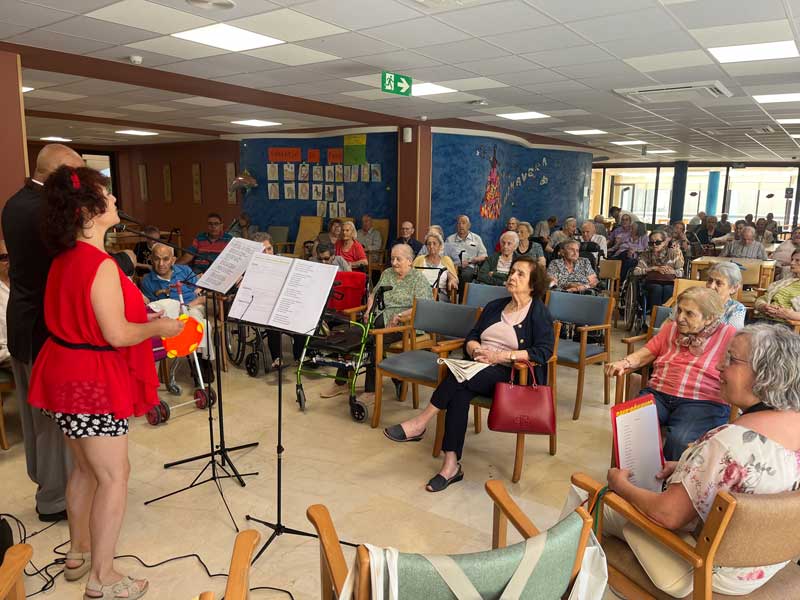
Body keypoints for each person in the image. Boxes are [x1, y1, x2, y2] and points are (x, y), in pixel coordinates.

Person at [29, 165, 182, 600]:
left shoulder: (65, 257)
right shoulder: (99, 264)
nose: (115, 201)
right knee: (115, 476)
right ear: (90, 212)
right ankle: (103, 576)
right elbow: (116, 334)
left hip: (61, 374)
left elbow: (94, 319)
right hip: (89, 380)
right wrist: (159, 329)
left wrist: (143, 319)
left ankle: (77, 553)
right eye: (108, 196)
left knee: (84, 469)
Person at [602, 324, 800, 597]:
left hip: (709, 571)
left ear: (764, 376)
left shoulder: (727, 442)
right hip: (770, 563)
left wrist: (620, 485)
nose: (719, 366)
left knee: (595, 502)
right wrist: (687, 469)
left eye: (731, 359)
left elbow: (667, 515)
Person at [383, 256, 554, 492]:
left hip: (510, 375)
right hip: (478, 368)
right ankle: (451, 465)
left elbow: (544, 351)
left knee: (458, 376)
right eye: (512, 271)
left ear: (533, 285)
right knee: (460, 392)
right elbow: (472, 335)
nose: (512, 276)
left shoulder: (538, 313)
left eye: (520, 274)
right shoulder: (496, 306)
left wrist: (501, 357)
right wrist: (474, 349)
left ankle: (420, 423)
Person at [2, 143, 84, 522]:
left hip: (21, 321)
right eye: (76, 174)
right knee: (54, 420)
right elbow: (74, 264)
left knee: (37, 417)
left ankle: (45, 484)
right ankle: (54, 499)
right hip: (42, 328)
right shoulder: (43, 211)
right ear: (58, 174)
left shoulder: (16, 202)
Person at [605, 287, 735, 460]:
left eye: (689, 314)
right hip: (659, 394)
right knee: (631, 424)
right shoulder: (670, 328)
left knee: (680, 440)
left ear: (710, 317)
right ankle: (635, 480)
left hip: (703, 402)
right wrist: (625, 362)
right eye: (679, 310)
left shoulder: (730, 335)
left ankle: (670, 485)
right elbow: (648, 351)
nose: (680, 318)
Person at [330, 244, 431, 401]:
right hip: (377, 321)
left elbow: (424, 307)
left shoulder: (418, 279)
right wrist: (369, 310)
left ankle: (372, 390)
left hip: (404, 326)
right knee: (351, 334)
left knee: (372, 343)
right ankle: (341, 382)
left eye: (398, 259)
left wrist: (399, 315)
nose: (394, 262)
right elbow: (373, 295)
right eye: (392, 259)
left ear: (410, 261)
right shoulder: (387, 273)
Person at [633, 230, 684, 309]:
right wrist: (653, 269)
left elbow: (681, 272)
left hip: (670, 282)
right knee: (657, 288)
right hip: (651, 282)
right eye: (651, 243)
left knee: (668, 289)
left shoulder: (673, 254)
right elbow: (636, 272)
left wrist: (672, 271)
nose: (654, 245)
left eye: (657, 242)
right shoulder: (646, 254)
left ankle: (665, 314)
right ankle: (655, 314)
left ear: (664, 243)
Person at [753, 249, 800, 324]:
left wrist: (790, 315)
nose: (792, 263)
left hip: (784, 325)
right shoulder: (785, 281)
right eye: (792, 259)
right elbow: (760, 299)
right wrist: (763, 306)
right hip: (763, 318)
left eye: (797, 260)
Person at [412, 231, 458, 300]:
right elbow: (411, 276)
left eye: (434, 243)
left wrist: (452, 281)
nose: (431, 246)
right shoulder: (420, 259)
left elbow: (453, 278)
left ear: (440, 245)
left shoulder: (446, 260)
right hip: (421, 294)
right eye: (429, 244)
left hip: (440, 295)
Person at [705, 262, 746, 330]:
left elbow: (733, 336)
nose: (711, 286)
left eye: (719, 283)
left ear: (733, 288)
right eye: (710, 280)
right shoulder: (698, 301)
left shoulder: (736, 309)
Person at [446, 215, 488, 282]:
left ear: (469, 225)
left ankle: (463, 293)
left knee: (466, 274)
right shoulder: (450, 239)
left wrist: (472, 260)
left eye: (463, 223)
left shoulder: (476, 238)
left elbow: (484, 256)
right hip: (453, 266)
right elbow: (445, 257)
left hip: (469, 267)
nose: (461, 226)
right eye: (459, 223)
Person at [0, 241, 10, 365]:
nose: (9, 261)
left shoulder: (24, 286)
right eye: (3, 257)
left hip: (21, 351)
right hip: (5, 355)